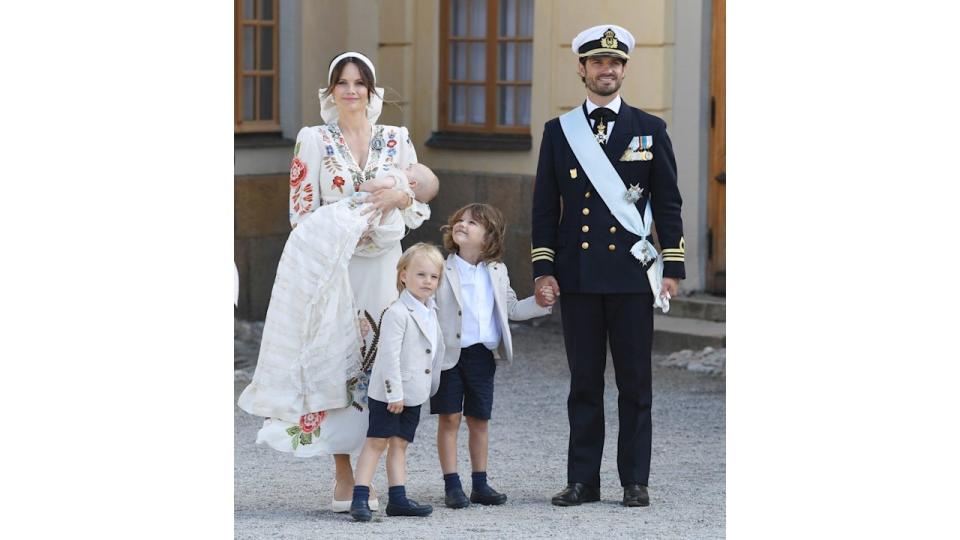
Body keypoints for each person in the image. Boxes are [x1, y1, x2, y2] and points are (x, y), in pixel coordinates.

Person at [238, 51, 435, 513]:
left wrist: (399, 194)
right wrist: (346, 223)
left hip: (385, 267)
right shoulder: (314, 140)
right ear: (331, 92)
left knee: (386, 364)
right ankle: (345, 473)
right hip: (338, 266)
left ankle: (389, 478)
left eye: (359, 82)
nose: (351, 90)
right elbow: (300, 212)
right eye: (342, 83)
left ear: (371, 90)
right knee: (339, 365)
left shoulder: (396, 139)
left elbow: (421, 196)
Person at [530, 24, 686, 508]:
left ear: (623, 70)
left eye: (615, 63)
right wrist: (544, 268)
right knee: (584, 384)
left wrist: (673, 268)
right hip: (578, 277)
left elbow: (668, 204)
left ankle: (634, 480)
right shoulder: (559, 133)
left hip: (632, 278)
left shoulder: (650, 129)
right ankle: (583, 481)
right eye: (598, 62)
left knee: (636, 383)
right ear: (582, 69)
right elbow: (543, 208)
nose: (607, 70)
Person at [430, 203, 553, 509]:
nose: (463, 224)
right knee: (449, 418)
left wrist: (539, 303)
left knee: (479, 420)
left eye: (473, 223)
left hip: (483, 356)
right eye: (460, 219)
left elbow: (510, 308)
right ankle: (452, 484)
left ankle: (480, 483)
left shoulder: (497, 271)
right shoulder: (440, 268)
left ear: (489, 238)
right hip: (449, 356)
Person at [349, 243, 446, 522]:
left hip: (413, 392)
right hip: (391, 394)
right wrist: (394, 394)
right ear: (403, 275)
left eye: (433, 277)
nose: (427, 281)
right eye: (420, 275)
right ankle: (359, 497)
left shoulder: (430, 311)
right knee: (376, 442)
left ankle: (398, 498)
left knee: (400, 444)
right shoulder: (397, 312)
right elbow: (388, 357)